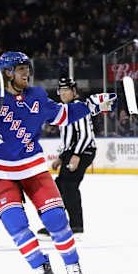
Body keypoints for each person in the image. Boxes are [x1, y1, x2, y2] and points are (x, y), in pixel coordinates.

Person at [0, 52, 116, 274]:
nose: (27, 72)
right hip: (0, 171)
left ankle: (72, 266)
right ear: (7, 73)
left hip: (33, 166)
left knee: (55, 218)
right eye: (21, 68)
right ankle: (41, 269)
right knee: (14, 223)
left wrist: (92, 105)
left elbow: (63, 115)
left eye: (27, 67)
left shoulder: (36, 96)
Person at [38, 75, 96, 238]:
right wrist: (61, 157)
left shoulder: (78, 107)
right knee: (59, 186)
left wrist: (76, 155)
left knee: (69, 186)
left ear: (74, 92)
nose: (62, 94)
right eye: (60, 90)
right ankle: (58, 225)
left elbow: (84, 135)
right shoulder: (65, 110)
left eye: (66, 90)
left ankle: (75, 226)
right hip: (73, 153)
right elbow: (68, 139)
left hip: (83, 150)